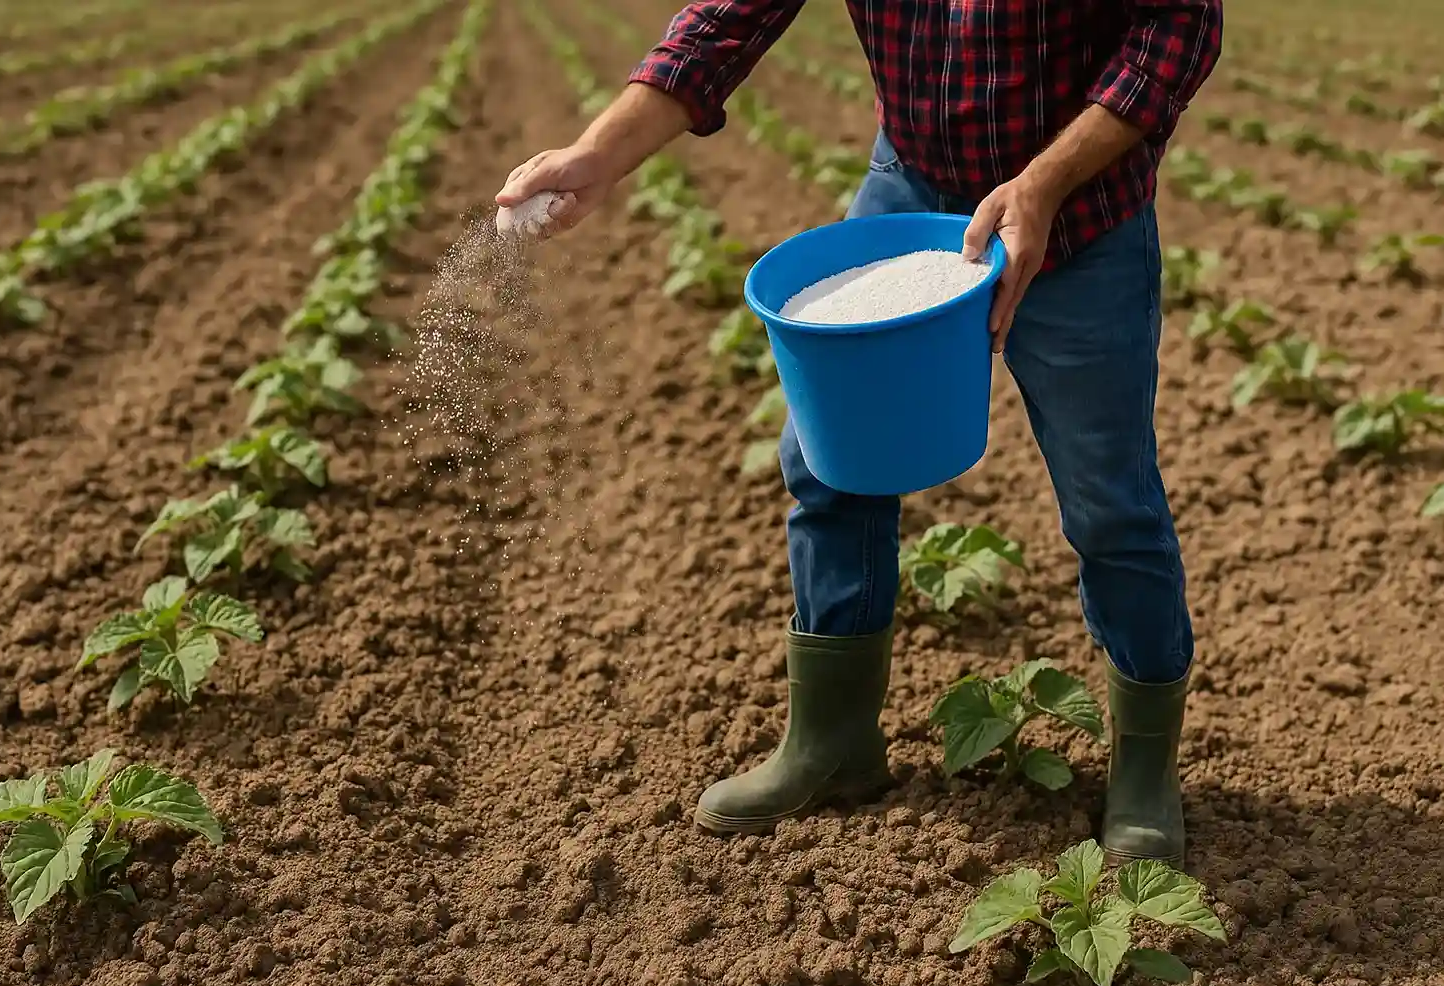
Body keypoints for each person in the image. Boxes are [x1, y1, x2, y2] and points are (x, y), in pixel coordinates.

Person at [496, 0, 1222, 867]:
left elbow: (1177, 28)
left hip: (1080, 217)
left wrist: (1043, 180)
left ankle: (1142, 769)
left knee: (1108, 499)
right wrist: (599, 153)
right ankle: (832, 742)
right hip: (912, 184)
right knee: (829, 464)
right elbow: (728, 18)